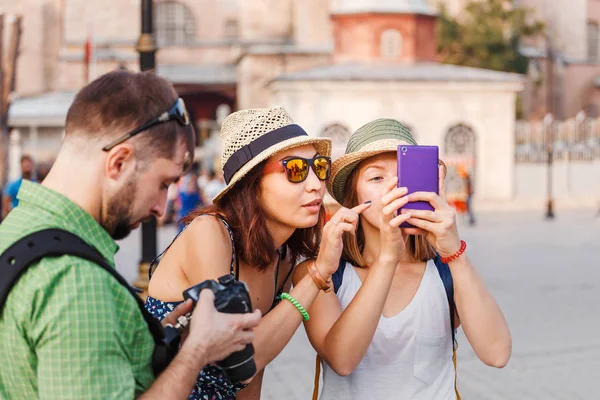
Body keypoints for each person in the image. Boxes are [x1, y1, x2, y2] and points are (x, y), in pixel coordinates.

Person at [0, 70, 261, 400]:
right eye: (163, 184)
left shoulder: (18, 227)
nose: (160, 207)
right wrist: (197, 352)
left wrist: (163, 340)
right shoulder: (77, 280)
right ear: (119, 162)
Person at [145, 106, 369, 400]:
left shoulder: (284, 258)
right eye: (296, 170)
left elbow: (250, 385)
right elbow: (243, 362)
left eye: (319, 167)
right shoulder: (209, 233)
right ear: (252, 185)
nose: (316, 185)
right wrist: (318, 274)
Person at [294, 119, 511, 400]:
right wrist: (388, 257)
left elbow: (497, 354)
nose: (394, 188)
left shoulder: (446, 272)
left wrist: (455, 254)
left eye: (405, 176)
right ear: (353, 194)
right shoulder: (321, 275)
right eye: (377, 178)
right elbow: (343, 360)